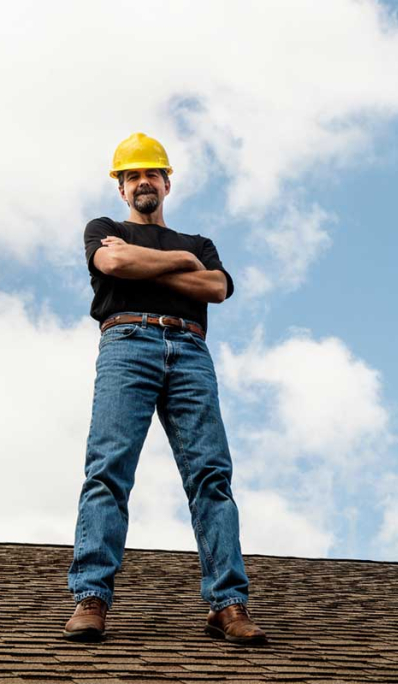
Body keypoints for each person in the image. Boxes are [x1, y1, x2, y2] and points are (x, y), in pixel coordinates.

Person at [63, 132, 267, 645]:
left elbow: (216, 288)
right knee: (108, 471)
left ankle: (228, 606)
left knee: (211, 478)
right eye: (132, 175)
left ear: (167, 182)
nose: (142, 182)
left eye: (151, 173)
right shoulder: (105, 230)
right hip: (127, 341)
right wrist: (181, 265)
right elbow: (112, 264)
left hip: (190, 349)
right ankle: (91, 599)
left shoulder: (199, 243)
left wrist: (152, 262)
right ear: (121, 188)